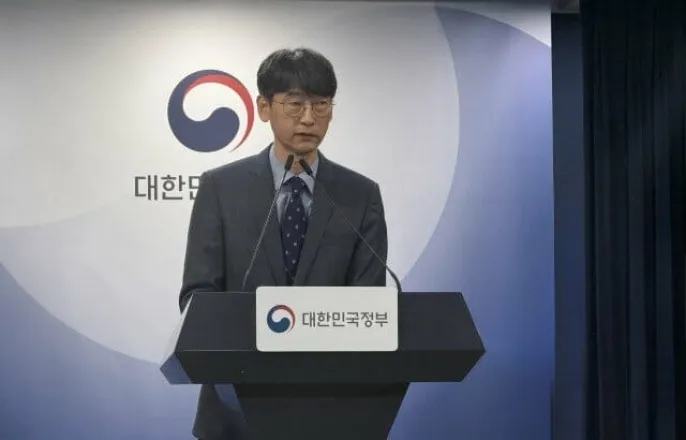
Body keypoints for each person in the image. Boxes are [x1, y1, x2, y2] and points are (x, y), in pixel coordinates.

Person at [178, 47, 389, 440]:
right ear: (264, 107)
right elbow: (198, 297)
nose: (308, 118)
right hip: (235, 409)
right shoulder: (220, 188)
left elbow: (368, 305)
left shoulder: (359, 196)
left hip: (330, 410)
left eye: (321, 105)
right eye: (294, 104)